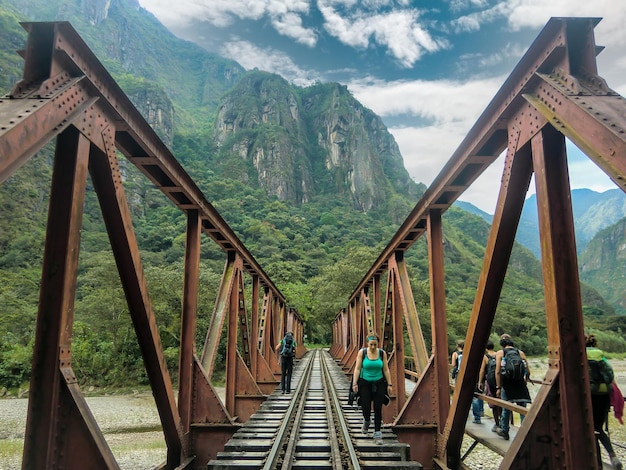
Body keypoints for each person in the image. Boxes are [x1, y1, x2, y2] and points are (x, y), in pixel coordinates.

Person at [586, 334, 622, 469]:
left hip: (589, 394)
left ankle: (598, 464)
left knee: (591, 430)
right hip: (604, 395)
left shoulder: (580, 355)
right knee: (598, 428)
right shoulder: (601, 356)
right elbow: (610, 375)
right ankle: (613, 455)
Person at [352, 333, 392, 445]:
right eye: (371, 345)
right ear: (367, 343)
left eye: (375, 344)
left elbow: (386, 369)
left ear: (378, 343)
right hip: (365, 383)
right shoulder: (362, 353)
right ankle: (366, 420)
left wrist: (390, 384)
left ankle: (378, 433)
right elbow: (357, 368)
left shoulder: (382, 353)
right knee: (365, 406)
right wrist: (355, 384)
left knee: (378, 407)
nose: (373, 347)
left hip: (379, 383)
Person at [494, 334, 531, 440]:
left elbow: (497, 372)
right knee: (522, 409)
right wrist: (525, 381)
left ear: (501, 343)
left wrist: (498, 387)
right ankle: (525, 432)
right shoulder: (520, 352)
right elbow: (527, 370)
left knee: (506, 408)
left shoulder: (500, 353)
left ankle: (505, 431)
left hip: (507, 385)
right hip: (520, 384)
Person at [479, 340, 501, 431]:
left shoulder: (485, 357)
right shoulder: (499, 354)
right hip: (499, 380)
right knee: (501, 401)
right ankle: (504, 422)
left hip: (490, 380)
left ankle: (497, 423)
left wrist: (480, 382)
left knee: (492, 401)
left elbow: (482, 370)